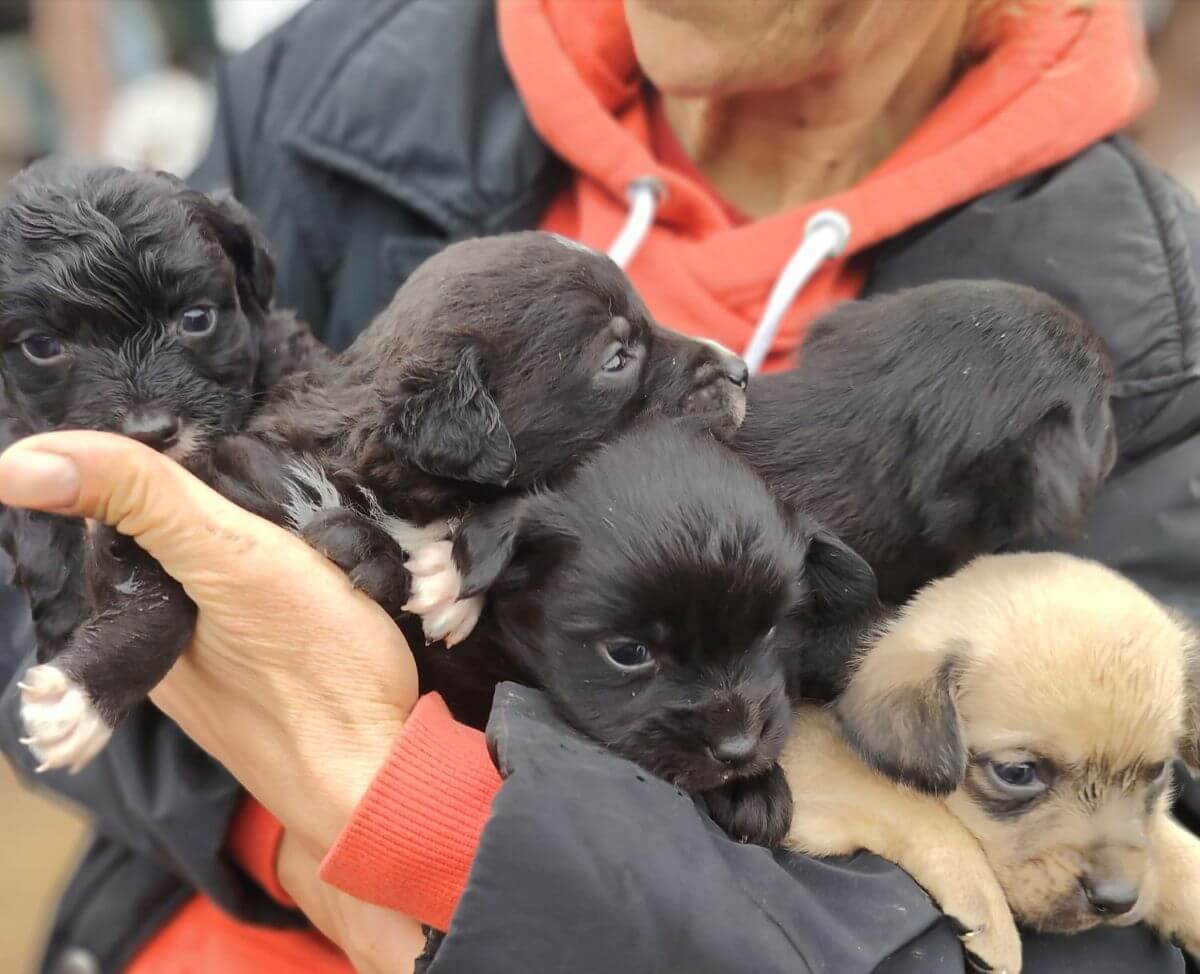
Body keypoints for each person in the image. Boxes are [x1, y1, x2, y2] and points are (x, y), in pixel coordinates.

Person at [2, 0, 1199, 971]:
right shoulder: (347, 76)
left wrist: (428, 821)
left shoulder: (1146, 326)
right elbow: (29, 579)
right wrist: (297, 833)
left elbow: (1098, 922)